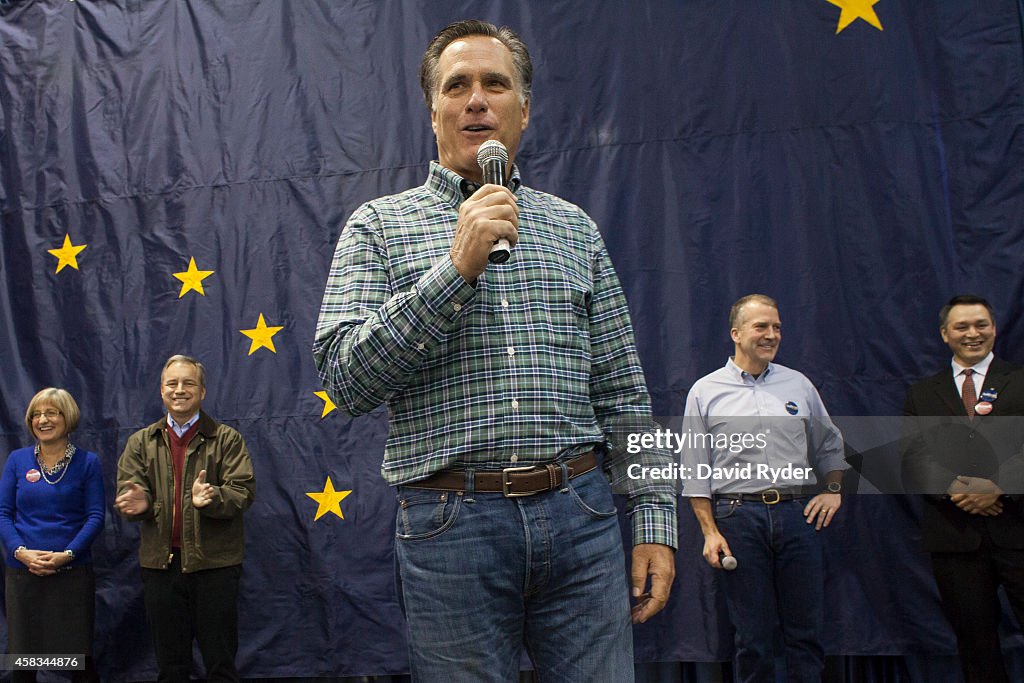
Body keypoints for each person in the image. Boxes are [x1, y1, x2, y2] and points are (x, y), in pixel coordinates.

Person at [313, 19, 676, 682]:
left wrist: (653, 518)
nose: (477, 99)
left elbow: (625, 392)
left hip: (583, 515)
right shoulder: (379, 226)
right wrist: (455, 269)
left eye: (495, 84)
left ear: (524, 109)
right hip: (451, 528)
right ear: (433, 111)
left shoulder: (574, 228)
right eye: (458, 85)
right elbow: (344, 378)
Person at [682, 294, 847, 683]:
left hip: (797, 516)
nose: (771, 335)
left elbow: (830, 445)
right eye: (761, 327)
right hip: (738, 518)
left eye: (776, 327)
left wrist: (833, 489)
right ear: (736, 333)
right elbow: (694, 469)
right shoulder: (705, 392)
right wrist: (709, 532)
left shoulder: (798, 385)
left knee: (805, 634)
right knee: (753, 637)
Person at [902, 295, 1024, 683]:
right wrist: (956, 489)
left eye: (981, 325)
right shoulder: (922, 393)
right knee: (976, 646)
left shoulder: (1020, 381)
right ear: (944, 334)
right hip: (955, 539)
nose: (973, 334)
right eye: (962, 326)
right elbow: (911, 459)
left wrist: (999, 486)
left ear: (994, 328)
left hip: (1018, 530)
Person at [115, 355, 255, 683]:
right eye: (172, 384)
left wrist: (212, 499)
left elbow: (243, 492)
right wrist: (141, 503)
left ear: (202, 391)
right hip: (160, 568)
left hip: (215, 567)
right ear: (161, 391)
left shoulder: (227, 439)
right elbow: (130, 489)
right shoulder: (140, 442)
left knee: (220, 664)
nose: (180, 390)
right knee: (171, 666)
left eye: (188, 383)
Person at [0, 388, 104, 683]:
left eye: (51, 413)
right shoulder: (18, 461)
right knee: (23, 664)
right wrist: (20, 552)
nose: (42, 420)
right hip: (23, 574)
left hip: (71, 575)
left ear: (66, 417)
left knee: (78, 662)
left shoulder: (88, 463)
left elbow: (95, 516)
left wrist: (67, 555)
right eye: (36, 414)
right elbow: (3, 513)